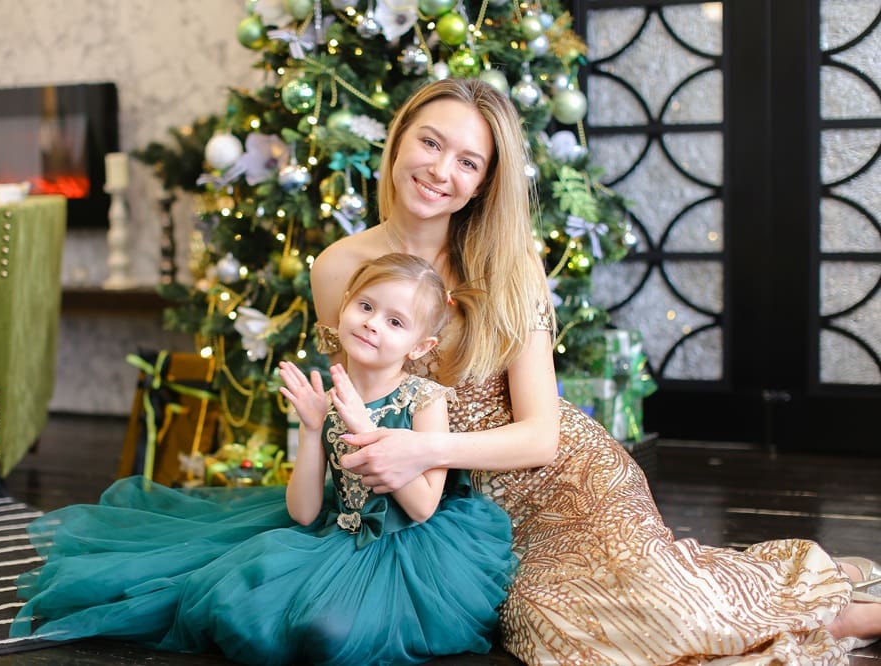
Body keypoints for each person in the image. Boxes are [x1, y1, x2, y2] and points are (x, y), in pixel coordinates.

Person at [309, 77, 881, 664]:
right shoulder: (338, 268)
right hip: (449, 502)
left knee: (672, 616)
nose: (440, 170)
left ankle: (838, 603)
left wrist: (424, 450)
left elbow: (540, 434)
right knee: (574, 638)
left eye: (467, 161)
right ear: (399, 140)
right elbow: (361, 401)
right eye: (430, 143)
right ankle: (808, 588)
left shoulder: (509, 262)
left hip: (559, 476)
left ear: (483, 183)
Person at [11, 252, 517, 665]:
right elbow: (302, 511)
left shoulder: (425, 400)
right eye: (365, 306)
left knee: (329, 633)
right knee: (235, 605)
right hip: (333, 532)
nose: (372, 325)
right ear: (344, 306)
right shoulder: (329, 396)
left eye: (394, 321)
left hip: (408, 547)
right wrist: (314, 428)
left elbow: (424, 506)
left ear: (419, 344)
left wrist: (368, 431)